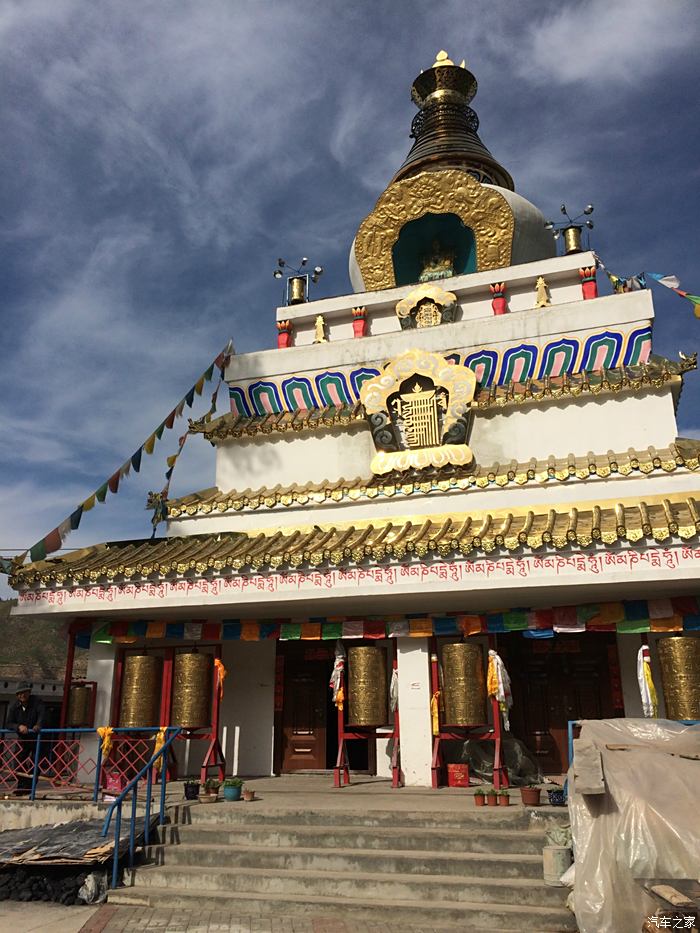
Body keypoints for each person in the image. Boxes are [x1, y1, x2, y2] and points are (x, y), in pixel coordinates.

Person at [6, 682, 44, 795]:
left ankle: (30, 788)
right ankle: (22, 786)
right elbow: (8, 723)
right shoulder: (14, 706)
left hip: (37, 738)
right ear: (17, 695)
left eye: (24, 692)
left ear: (29, 692)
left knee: (36, 763)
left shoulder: (37, 702)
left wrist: (38, 725)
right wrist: (18, 726)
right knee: (17, 763)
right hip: (22, 739)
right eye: (19, 694)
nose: (22, 695)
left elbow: (42, 716)